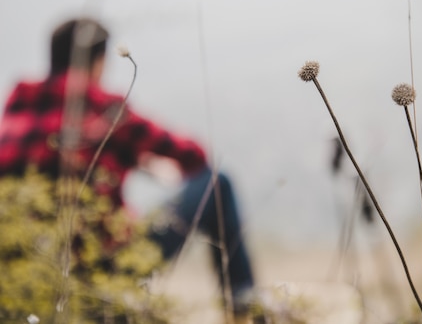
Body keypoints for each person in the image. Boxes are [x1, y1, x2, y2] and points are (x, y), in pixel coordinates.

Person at [0, 17, 257, 319]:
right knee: (217, 183)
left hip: (32, 272)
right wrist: (142, 159)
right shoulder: (105, 110)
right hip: (107, 268)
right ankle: (246, 310)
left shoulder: (15, 115)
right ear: (97, 60)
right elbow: (193, 155)